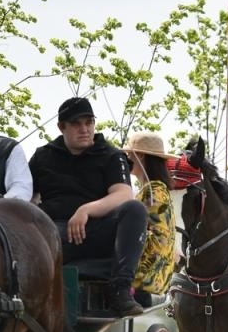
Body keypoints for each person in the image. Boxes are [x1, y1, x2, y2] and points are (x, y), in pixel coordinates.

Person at [27, 96, 147, 317]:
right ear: (61, 127)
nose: (84, 129)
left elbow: (123, 194)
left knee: (135, 209)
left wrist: (86, 210)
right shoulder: (43, 156)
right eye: (76, 124)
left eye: (89, 122)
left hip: (96, 231)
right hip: (54, 233)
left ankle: (120, 289)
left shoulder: (111, 155)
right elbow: (26, 196)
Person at [123, 130, 176, 304]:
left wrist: (133, 277)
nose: (127, 158)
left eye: (129, 154)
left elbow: (158, 240)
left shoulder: (153, 191)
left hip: (143, 285)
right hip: (151, 282)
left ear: (140, 156)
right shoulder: (156, 189)